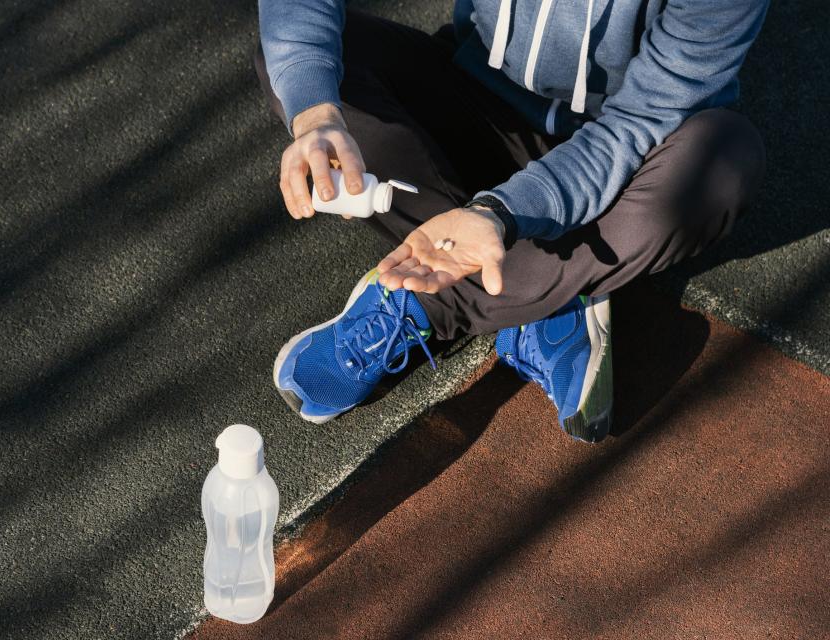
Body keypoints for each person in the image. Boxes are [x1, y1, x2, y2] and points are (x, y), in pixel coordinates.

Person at [255, 0, 768, 442]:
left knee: (725, 160)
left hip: (625, 156)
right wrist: (317, 117)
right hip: (477, 99)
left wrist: (497, 214)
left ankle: (438, 302)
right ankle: (553, 285)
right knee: (305, 67)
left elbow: (638, 123)